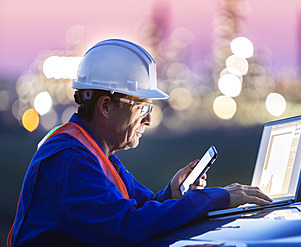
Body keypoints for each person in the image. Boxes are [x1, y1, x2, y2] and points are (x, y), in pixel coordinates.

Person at [8, 39, 272, 247]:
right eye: (142, 107)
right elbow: (125, 228)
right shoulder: (70, 161)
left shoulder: (97, 154)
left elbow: (140, 210)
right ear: (106, 107)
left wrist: (172, 192)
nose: (148, 120)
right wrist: (216, 198)